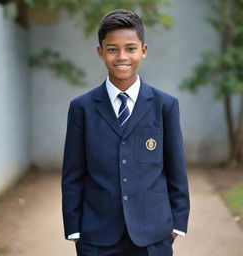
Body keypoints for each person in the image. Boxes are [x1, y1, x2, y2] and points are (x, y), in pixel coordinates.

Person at [61, 9, 190, 256]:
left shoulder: (165, 105)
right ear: (100, 52)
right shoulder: (82, 108)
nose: (122, 56)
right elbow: (73, 173)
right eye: (112, 49)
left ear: (143, 50)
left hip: (153, 236)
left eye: (130, 48)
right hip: (97, 236)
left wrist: (177, 225)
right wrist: (75, 230)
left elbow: (176, 169)